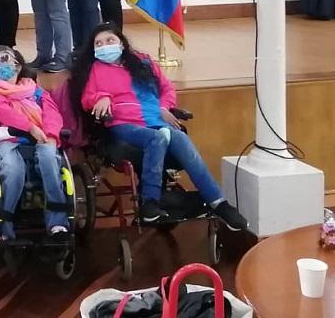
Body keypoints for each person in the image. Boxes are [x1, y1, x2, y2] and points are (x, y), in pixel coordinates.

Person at [70, 23, 248, 231]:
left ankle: (219, 203)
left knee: (179, 138)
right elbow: (88, 97)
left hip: (156, 119)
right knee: (158, 137)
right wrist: (102, 97)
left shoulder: (143, 62)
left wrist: (165, 107)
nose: (104, 46)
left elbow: (167, 88)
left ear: (122, 43)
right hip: (123, 123)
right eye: (98, 44)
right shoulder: (96, 70)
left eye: (110, 41)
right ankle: (150, 202)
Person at [0, 47, 69, 244]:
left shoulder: (35, 90)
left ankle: (57, 223)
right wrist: (29, 128)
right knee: (12, 167)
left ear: (19, 67)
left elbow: (52, 114)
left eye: (8, 62)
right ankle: (5, 225)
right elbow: (3, 112)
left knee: (50, 158)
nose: (3, 67)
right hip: (6, 137)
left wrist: (51, 135)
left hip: (41, 135)